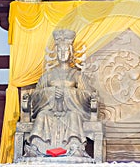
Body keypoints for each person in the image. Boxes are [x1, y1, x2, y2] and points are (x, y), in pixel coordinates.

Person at [24, 29, 95, 157]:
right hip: (50, 111)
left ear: (71, 52)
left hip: (71, 110)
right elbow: (36, 95)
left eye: (66, 50)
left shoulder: (77, 75)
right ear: (55, 53)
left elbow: (88, 95)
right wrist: (51, 92)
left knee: (74, 116)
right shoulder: (48, 75)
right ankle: (37, 146)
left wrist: (68, 93)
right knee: (42, 115)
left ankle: (74, 145)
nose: (62, 54)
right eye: (59, 50)